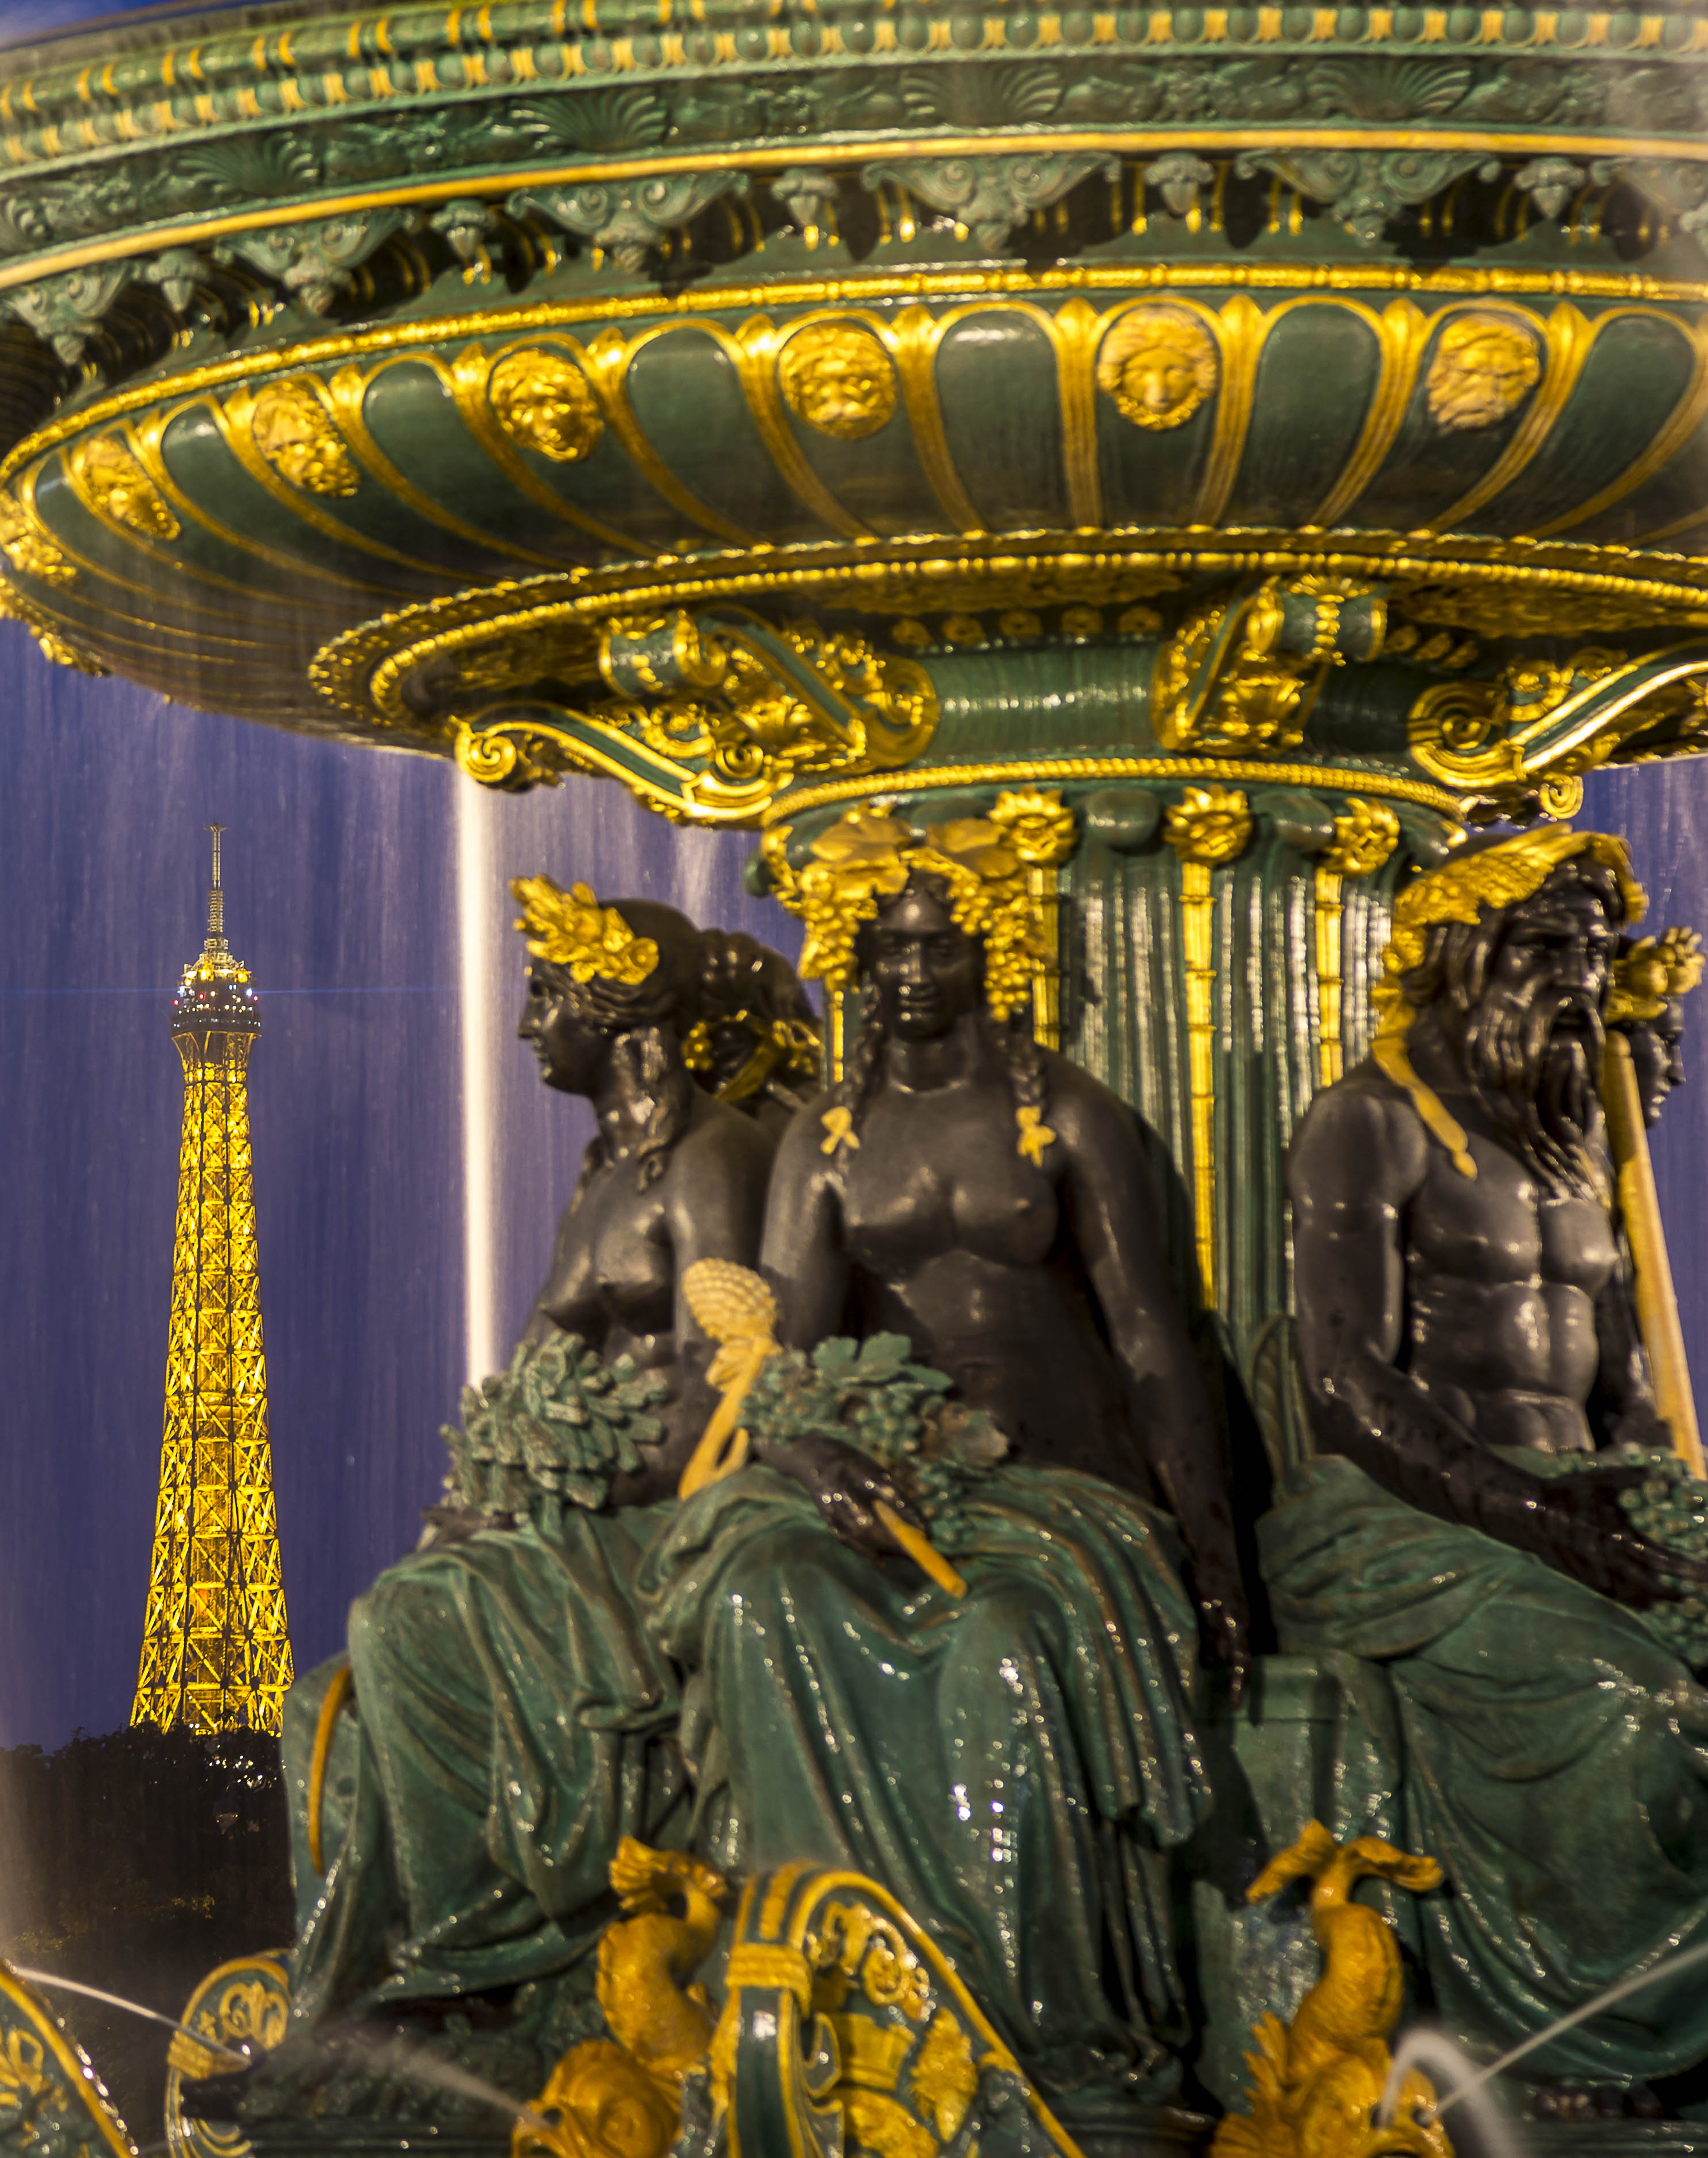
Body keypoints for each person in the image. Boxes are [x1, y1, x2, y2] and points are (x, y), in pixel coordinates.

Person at [646, 806, 1244, 2104]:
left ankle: (1044, 2017)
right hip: (876, 1482)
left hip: (1049, 1485)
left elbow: (1151, 1341)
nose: (909, 973)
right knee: (759, 1600)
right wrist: (813, 1462)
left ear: (992, 952)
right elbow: (781, 1361)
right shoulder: (823, 1140)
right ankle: (821, 1981)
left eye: (937, 946)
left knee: (1003, 1645)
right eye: (886, 948)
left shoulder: (1064, 1118)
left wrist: (1215, 1559)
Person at [1273, 824, 1708, 2089]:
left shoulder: (1573, 1149)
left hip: (1585, 1500)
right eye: (1541, 948)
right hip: (1408, 1519)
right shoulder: (1367, 1123)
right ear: (1460, 956)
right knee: (1626, 1703)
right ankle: (1589, 2050)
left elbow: (1630, 1407)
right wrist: (1542, 1519)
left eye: (1590, 952)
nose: (1576, 980)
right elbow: (1343, 1382)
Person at [271, 881, 810, 2061]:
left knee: (404, 1621)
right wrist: (473, 1501)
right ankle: (352, 2004)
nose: (524, 1027)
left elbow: (727, 1388)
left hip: (674, 1513)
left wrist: (558, 1484)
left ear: (622, 1022)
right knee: (321, 1698)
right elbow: (530, 1376)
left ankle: (468, 1965)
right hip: (584, 1506)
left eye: (545, 998)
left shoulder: (712, 1159)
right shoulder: (602, 1178)